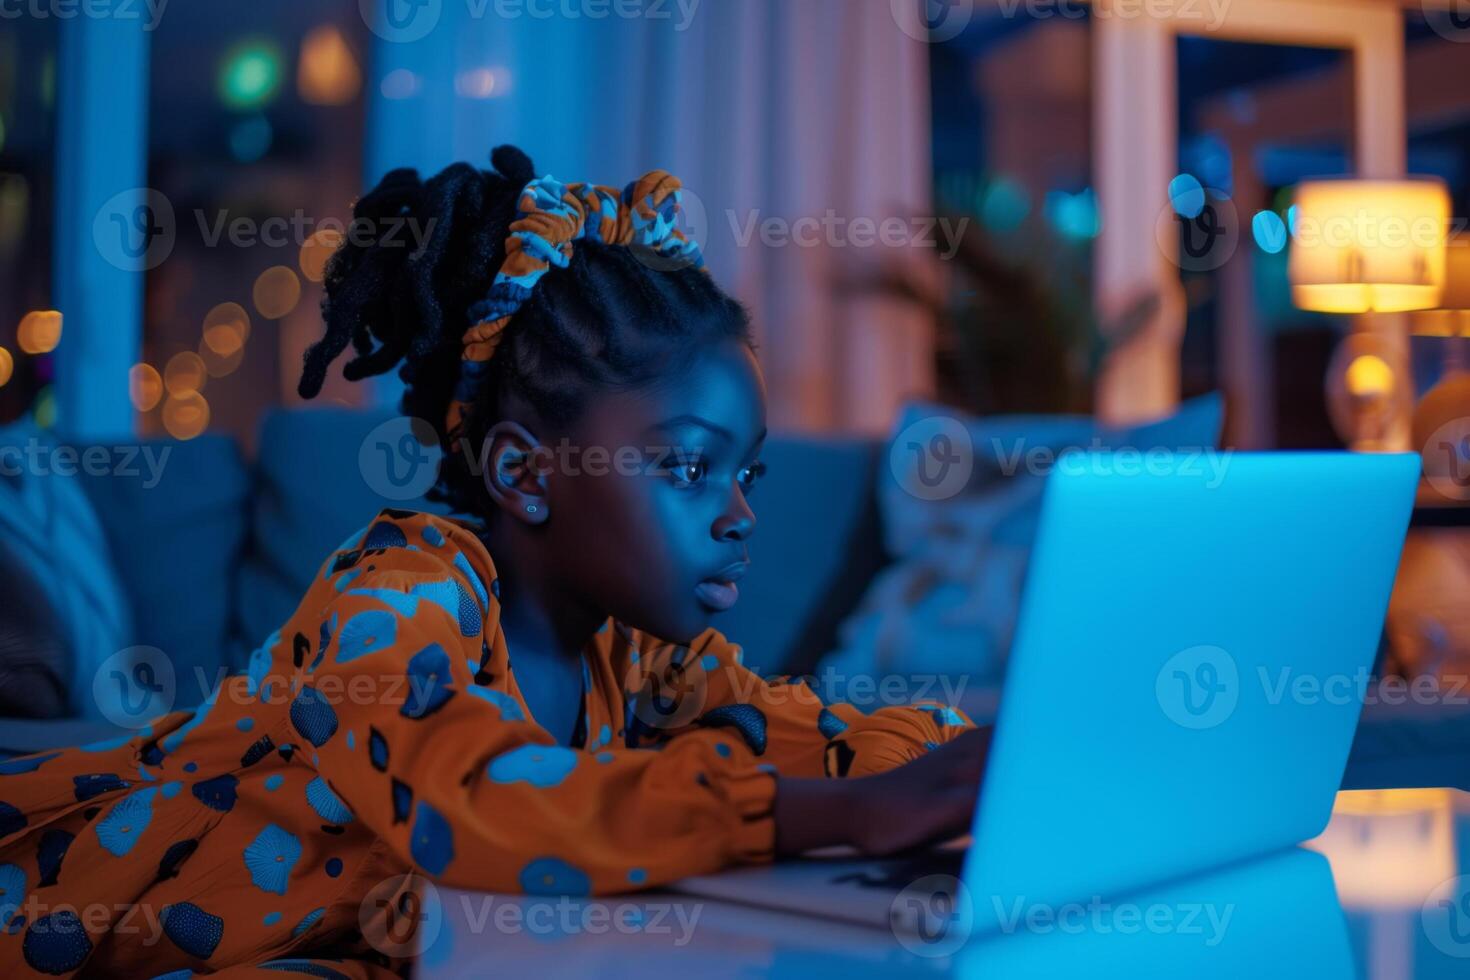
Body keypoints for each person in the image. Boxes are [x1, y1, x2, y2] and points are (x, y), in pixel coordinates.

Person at [0, 146, 986, 977]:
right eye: (690, 465)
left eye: (750, 475)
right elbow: (472, 798)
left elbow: (805, 730)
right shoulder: (398, 591)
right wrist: (838, 811)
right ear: (523, 471)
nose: (738, 514)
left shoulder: (638, 658)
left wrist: (978, 752)